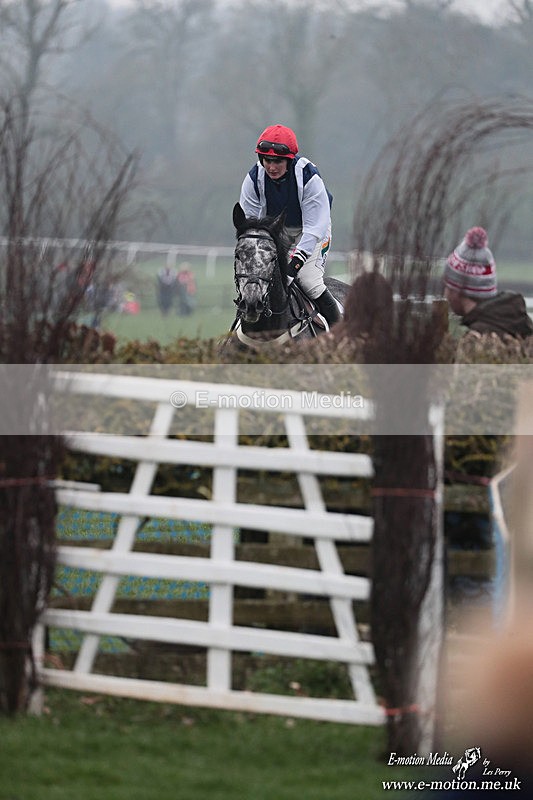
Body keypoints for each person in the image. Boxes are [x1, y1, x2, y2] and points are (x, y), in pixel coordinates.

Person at [239, 123, 340, 327]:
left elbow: (313, 230)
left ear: (289, 160)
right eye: (267, 160)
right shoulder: (253, 178)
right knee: (256, 282)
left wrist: (292, 269)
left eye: (277, 162)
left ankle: (342, 333)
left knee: (309, 281)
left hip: (312, 230)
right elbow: (250, 226)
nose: (271, 167)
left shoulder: (308, 177)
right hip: (277, 233)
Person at [443, 226, 533, 338]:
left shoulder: (477, 339)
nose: (445, 294)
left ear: (457, 290)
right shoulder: (523, 324)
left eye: (447, 286)